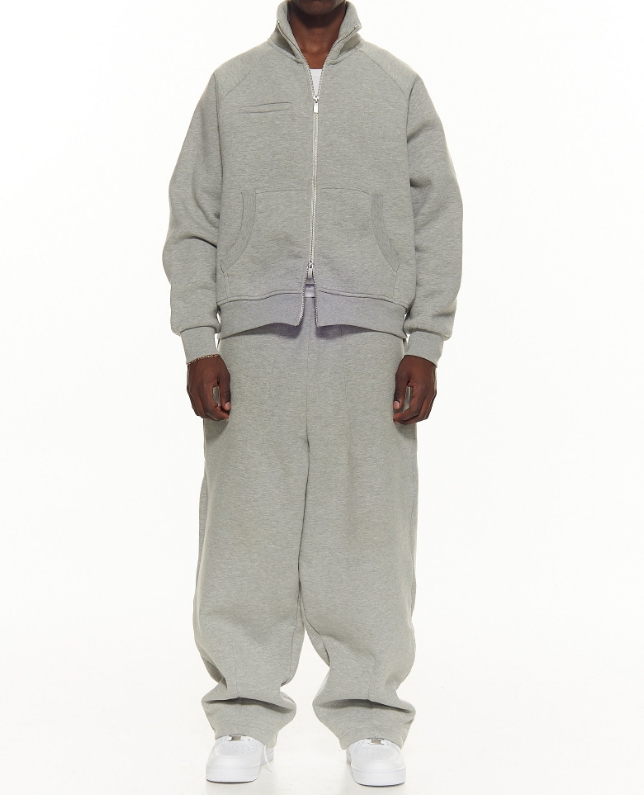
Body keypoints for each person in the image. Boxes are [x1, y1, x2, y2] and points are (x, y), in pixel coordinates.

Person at [162, 0, 462, 786]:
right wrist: (199, 338)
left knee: (368, 529)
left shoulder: (396, 86)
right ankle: (243, 711)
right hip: (252, 341)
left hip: (369, 343)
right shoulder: (232, 86)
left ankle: (370, 717)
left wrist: (423, 342)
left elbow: (437, 217)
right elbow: (193, 216)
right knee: (245, 529)